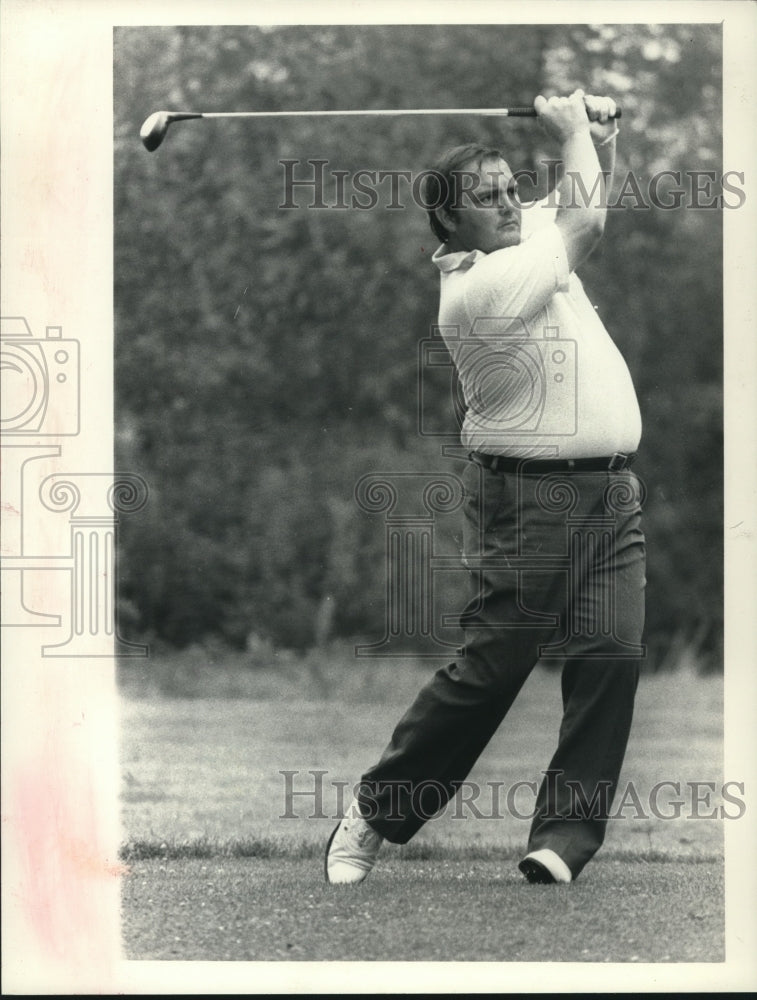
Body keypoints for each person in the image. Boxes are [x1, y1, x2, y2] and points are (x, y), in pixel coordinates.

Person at [325, 90, 646, 885]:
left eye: (511, 189)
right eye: (487, 197)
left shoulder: (518, 236)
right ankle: (374, 811)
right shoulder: (477, 293)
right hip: (527, 502)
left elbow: (586, 198)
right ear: (448, 224)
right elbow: (585, 223)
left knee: (610, 655)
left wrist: (600, 139)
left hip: (611, 494)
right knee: (494, 667)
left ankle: (561, 840)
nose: (508, 203)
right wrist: (570, 130)